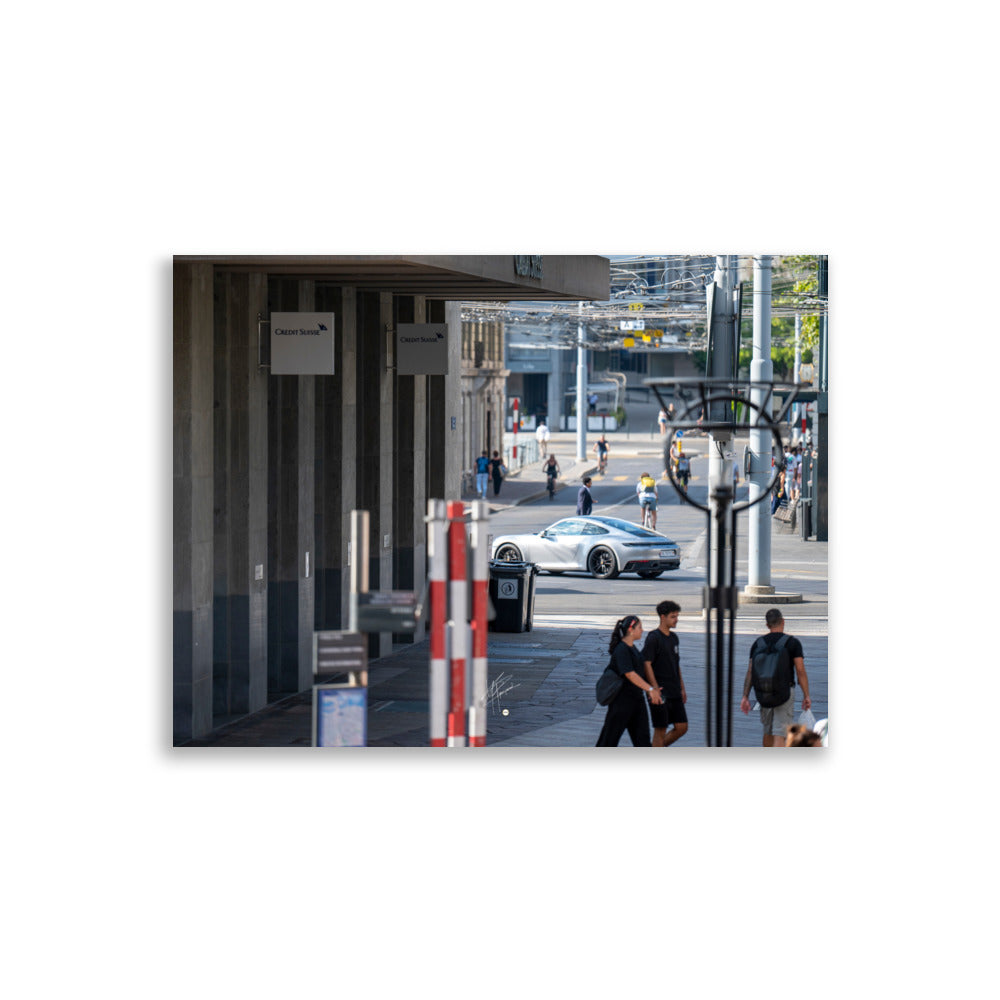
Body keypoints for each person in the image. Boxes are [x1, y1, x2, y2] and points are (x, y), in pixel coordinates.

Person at [740, 609, 812, 748]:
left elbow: (750, 672)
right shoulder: (792, 643)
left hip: (764, 693)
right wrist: (806, 695)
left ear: (767, 625)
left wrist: (745, 696)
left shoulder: (758, 644)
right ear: (783, 621)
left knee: (768, 732)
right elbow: (800, 670)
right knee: (781, 734)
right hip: (784, 692)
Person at [595, 615, 661, 747]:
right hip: (621, 704)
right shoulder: (622, 650)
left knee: (642, 742)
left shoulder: (633, 649)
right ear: (631, 629)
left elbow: (640, 672)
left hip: (637, 702)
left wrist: (653, 688)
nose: (642, 630)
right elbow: (630, 674)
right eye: (640, 627)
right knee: (608, 742)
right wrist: (650, 689)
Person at [641, 600, 688, 747]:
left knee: (682, 727)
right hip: (660, 692)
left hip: (674, 691)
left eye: (677, 616)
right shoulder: (654, 638)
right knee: (660, 729)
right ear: (663, 617)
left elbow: (676, 664)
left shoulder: (674, 638)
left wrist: (682, 687)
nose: (676, 620)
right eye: (673, 616)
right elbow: (646, 663)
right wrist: (654, 688)